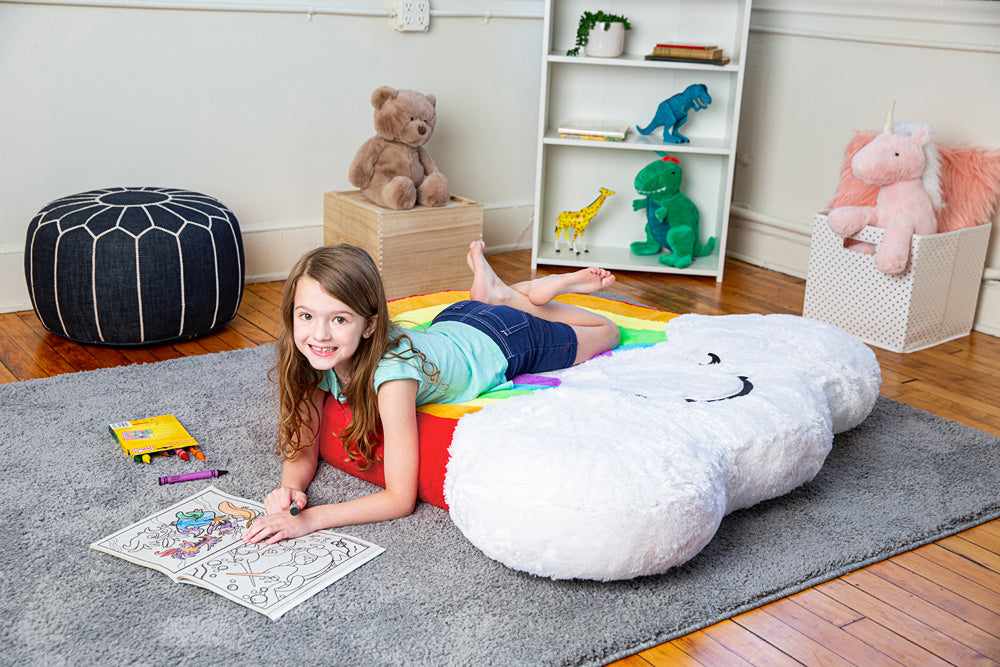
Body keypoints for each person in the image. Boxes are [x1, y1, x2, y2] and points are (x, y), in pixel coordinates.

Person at [243, 240, 619, 545]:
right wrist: (289, 490)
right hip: (454, 318)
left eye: (339, 319)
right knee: (500, 306)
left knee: (606, 331)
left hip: (505, 340)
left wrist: (311, 520)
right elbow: (303, 448)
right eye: (306, 316)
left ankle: (517, 300)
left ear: (370, 325)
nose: (319, 335)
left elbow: (399, 498)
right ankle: (501, 295)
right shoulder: (308, 356)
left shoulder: (393, 377)